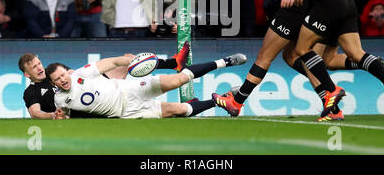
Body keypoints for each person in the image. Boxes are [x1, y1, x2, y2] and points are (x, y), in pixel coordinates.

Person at [46, 52, 248, 119]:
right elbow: (66, 115)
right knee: (179, 110)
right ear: (53, 83)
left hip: (129, 89)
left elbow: (114, 63)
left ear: (68, 71)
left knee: (179, 79)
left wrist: (130, 61)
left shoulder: (82, 73)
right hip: (128, 112)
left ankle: (225, 62)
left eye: (63, 74)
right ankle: (221, 100)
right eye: (58, 79)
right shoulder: (60, 99)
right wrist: (61, 117)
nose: (63, 79)